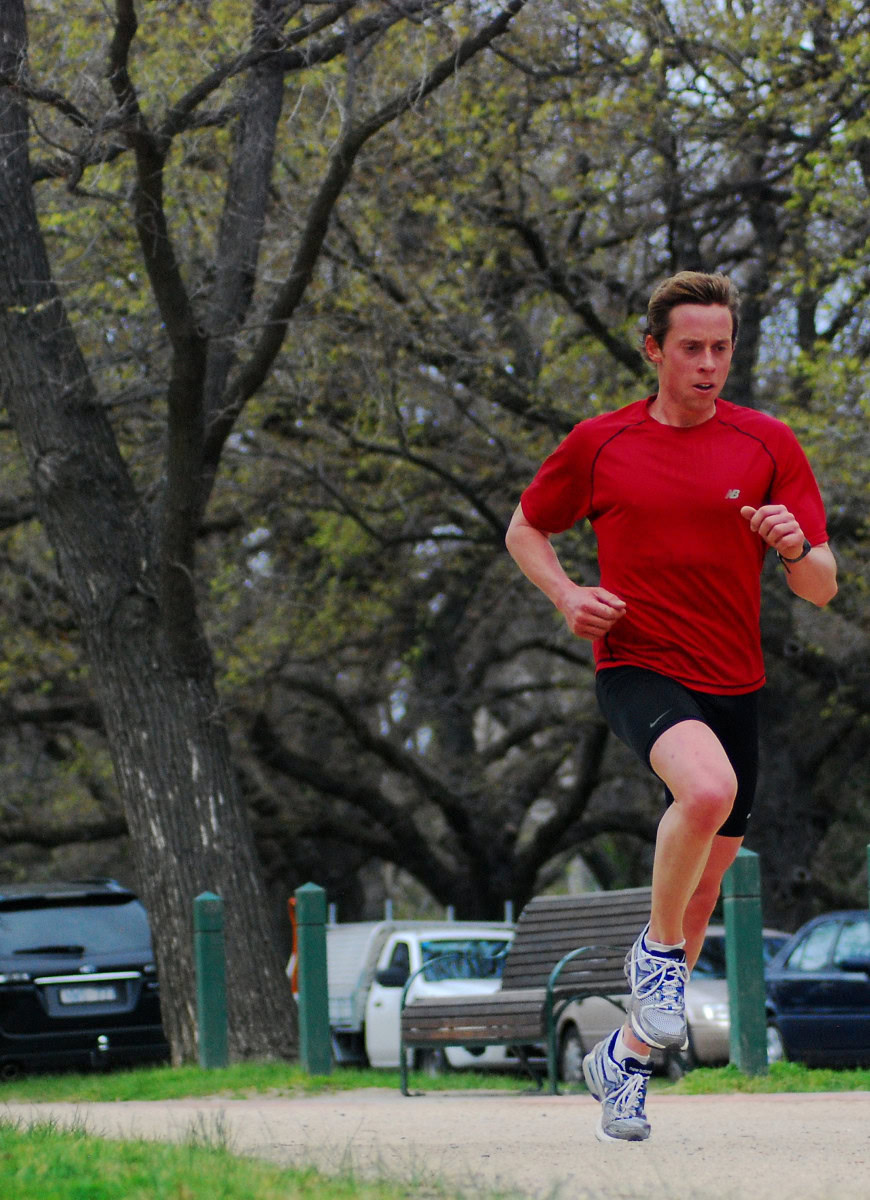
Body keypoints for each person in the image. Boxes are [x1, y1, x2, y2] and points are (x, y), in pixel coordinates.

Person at [505, 271, 837, 1143]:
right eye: (690, 347)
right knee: (703, 792)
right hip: (639, 666)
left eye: (721, 347)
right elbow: (524, 528)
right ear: (653, 350)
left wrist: (795, 545)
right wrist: (568, 596)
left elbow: (822, 587)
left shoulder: (766, 443)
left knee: (701, 898)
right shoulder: (600, 443)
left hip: (734, 680)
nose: (708, 363)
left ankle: (622, 1063)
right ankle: (652, 960)